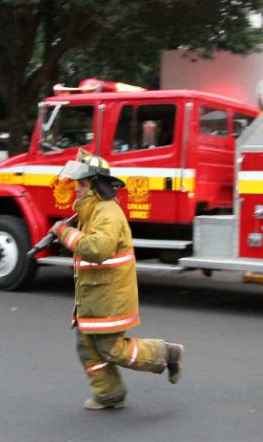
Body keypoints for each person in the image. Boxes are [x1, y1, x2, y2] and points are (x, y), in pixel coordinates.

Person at [51, 150, 184, 410]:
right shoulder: (91, 211)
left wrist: (64, 233)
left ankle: (167, 353)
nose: (75, 189)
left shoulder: (107, 213)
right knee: (87, 347)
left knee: (113, 350)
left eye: (81, 184)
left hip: (108, 297)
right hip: (94, 296)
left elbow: (98, 248)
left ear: (94, 186)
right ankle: (109, 393)